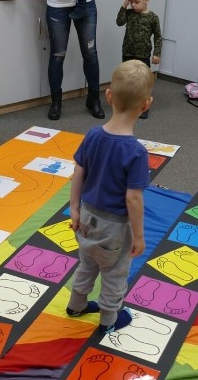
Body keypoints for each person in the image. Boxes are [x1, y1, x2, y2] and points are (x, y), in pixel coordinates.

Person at [65, 60, 153, 334]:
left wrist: (74, 209)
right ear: (146, 105)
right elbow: (133, 199)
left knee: (88, 262)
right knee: (114, 273)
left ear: (109, 96)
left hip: (87, 216)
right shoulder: (136, 152)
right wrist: (138, 236)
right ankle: (108, 321)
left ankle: (75, 305)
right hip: (115, 227)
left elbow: (79, 171)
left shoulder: (92, 135)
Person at [116, 0, 162, 119]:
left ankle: (143, 106)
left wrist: (157, 54)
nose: (134, 5)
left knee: (142, 82)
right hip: (127, 53)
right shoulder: (129, 13)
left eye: (137, 2)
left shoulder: (153, 18)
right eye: (132, 2)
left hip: (143, 55)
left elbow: (158, 37)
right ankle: (127, 105)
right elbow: (119, 22)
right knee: (127, 81)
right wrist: (125, 4)